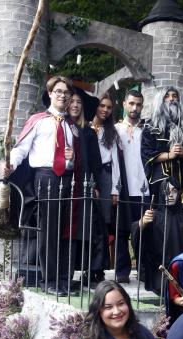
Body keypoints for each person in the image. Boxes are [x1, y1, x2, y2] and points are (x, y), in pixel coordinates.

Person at [4, 76, 79, 296]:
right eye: (58, 91)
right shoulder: (37, 120)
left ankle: (64, 279)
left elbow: (76, 160)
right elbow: (21, 149)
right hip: (45, 178)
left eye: (66, 92)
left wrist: (73, 159)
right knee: (49, 230)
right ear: (50, 94)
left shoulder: (72, 127)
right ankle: (49, 280)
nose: (62, 95)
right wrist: (9, 163)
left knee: (66, 230)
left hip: (68, 180)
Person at [68, 88, 108, 285]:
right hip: (66, 187)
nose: (75, 105)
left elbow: (96, 162)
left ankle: (93, 271)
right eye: (72, 101)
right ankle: (68, 271)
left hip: (85, 185)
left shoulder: (88, 132)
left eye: (79, 102)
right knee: (70, 230)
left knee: (92, 229)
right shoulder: (63, 127)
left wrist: (97, 186)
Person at [141, 87, 183, 200]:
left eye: (175, 96)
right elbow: (146, 153)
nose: (171, 99)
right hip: (159, 180)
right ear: (161, 100)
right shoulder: (150, 126)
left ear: (179, 100)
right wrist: (170, 155)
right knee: (160, 213)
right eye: (167, 96)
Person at [131, 182, 183, 294]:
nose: (170, 195)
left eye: (174, 191)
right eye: (166, 191)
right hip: (158, 271)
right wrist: (142, 223)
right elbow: (137, 236)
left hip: (182, 271)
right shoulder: (153, 216)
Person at [114, 89, 147, 284]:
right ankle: (122, 271)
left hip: (143, 187)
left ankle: (143, 269)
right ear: (125, 104)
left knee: (143, 230)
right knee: (121, 231)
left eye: (138, 104)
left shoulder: (146, 131)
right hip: (123, 186)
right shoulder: (116, 130)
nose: (135, 108)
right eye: (132, 103)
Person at [90, 94, 122, 282]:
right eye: (102, 106)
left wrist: (115, 189)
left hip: (106, 176)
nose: (105, 110)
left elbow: (116, 162)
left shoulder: (111, 132)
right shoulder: (85, 127)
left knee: (102, 224)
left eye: (109, 107)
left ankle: (99, 268)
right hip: (89, 176)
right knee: (88, 223)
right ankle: (86, 265)